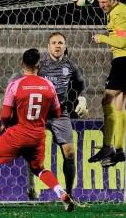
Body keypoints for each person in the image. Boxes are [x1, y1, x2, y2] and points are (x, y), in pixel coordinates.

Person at [0, 48, 76, 215]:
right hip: (38, 135)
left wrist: (4, 125)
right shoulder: (49, 86)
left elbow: (5, 115)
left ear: (22, 64)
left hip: (18, 133)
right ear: (39, 65)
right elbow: (57, 113)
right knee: (38, 168)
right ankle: (61, 192)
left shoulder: (15, 85)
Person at [87, 0, 126, 167]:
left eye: (105, 2)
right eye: (100, 2)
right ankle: (118, 151)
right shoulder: (122, 10)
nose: (102, 5)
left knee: (106, 100)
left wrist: (100, 38)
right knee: (119, 104)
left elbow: (120, 41)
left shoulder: (117, 13)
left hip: (125, 61)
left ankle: (108, 147)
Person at [33, 32, 87, 196]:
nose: (57, 45)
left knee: (70, 152)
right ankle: (31, 188)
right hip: (39, 113)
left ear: (65, 46)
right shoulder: (39, 65)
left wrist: (83, 98)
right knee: (32, 151)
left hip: (60, 112)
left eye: (60, 43)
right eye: (54, 43)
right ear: (48, 46)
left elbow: (82, 83)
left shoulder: (70, 65)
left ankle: (69, 194)